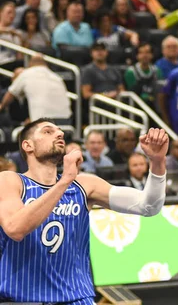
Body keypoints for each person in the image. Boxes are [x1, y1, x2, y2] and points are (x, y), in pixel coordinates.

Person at [0, 119, 168, 304]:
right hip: (22, 298)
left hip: (77, 297)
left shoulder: (84, 185)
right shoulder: (10, 181)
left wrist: (157, 162)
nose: (59, 134)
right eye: (48, 131)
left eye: (60, 131)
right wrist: (65, 181)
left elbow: (148, 206)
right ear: (27, 145)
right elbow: (15, 228)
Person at [0, 53, 71, 123]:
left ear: (30, 64)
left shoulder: (26, 74)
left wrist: (1, 106)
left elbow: (10, 93)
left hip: (43, 121)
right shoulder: (57, 77)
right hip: (65, 119)